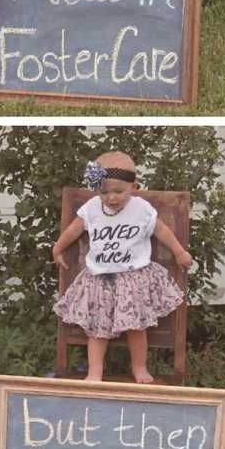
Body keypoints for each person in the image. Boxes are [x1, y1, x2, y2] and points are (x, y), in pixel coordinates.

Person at [52, 151, 192, 383]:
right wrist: (57, 248)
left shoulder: (141, 209)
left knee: (136, 328)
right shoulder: (92, 208)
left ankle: (139, 367)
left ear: (133, 186)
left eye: (119, 191)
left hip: (132, 279)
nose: (111, 198)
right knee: (97, 330)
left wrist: (179, 252)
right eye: (104, 192)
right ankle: (95, 371)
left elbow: (161, 230)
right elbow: (74, 230)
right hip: (99, 280)